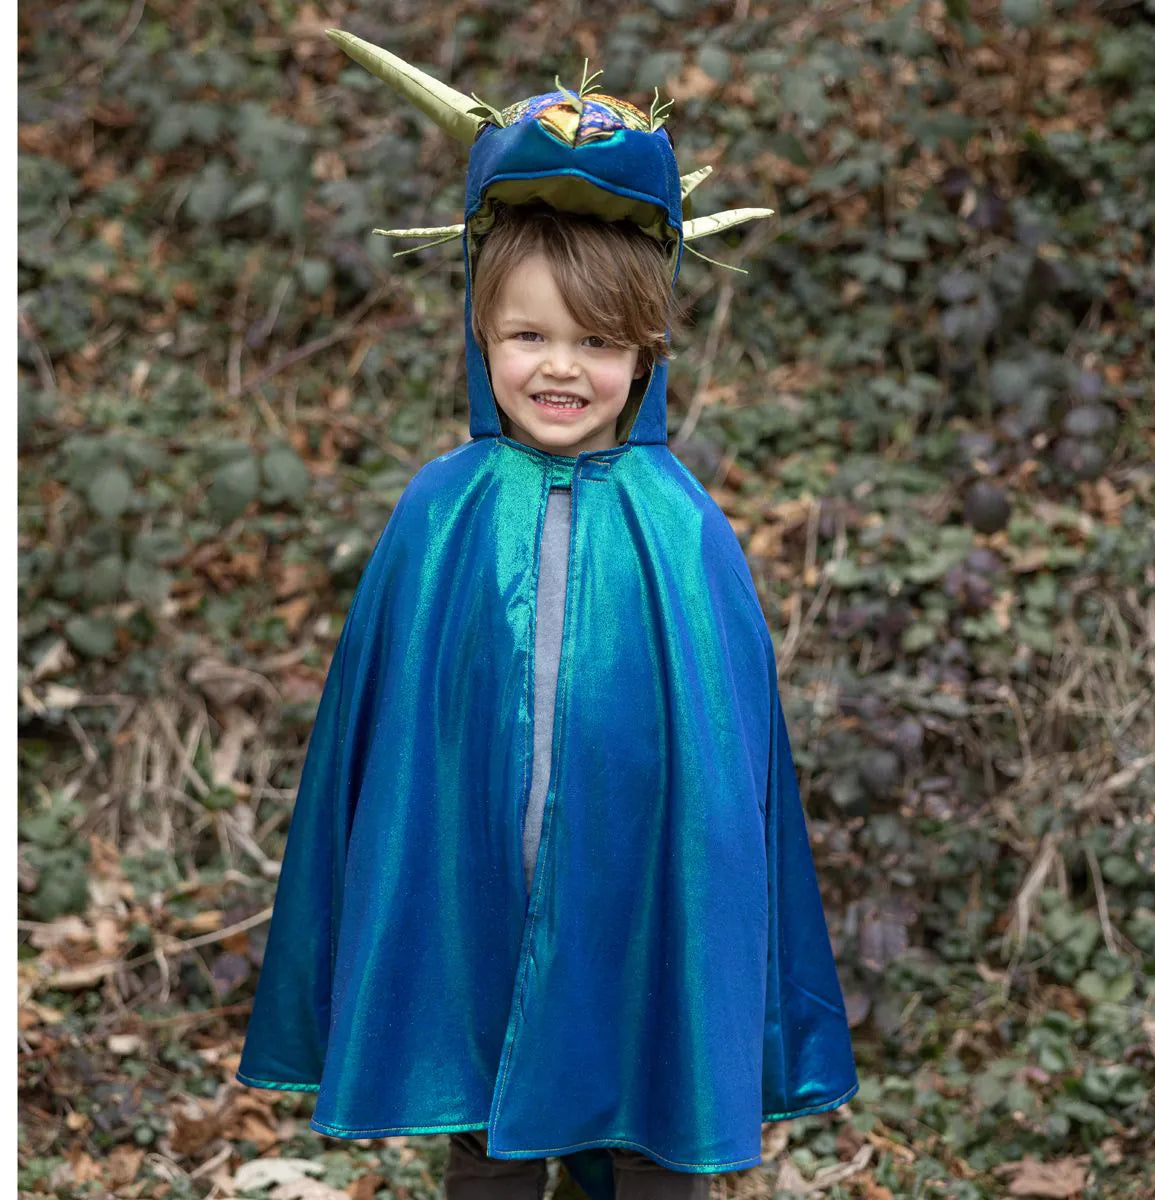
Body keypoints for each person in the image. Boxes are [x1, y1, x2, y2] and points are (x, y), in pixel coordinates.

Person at [235, 30, 860, 1200]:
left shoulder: (685, 529)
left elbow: (729, 785)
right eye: (529, 335)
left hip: (643, 914)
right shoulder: (440, 514)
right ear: (481, 333)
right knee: (486, 1142)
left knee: (651, 1139)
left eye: (597, 341)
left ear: (648, 351)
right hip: (478, 898)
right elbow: (393, 752)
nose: (560, 368)